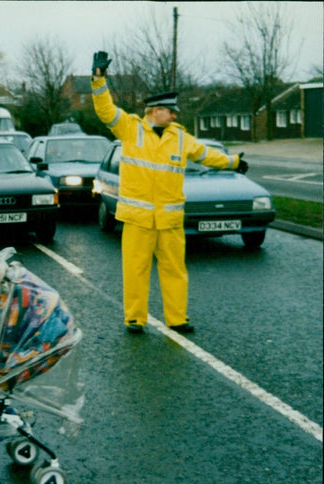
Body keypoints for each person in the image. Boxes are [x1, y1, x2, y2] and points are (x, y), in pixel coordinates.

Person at [91, 51, 248, 335]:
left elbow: (205, 155)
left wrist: (234, 162)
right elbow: (105, 110)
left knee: (175, 271)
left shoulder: (180, 137)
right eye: (170, 110)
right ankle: (135, 319)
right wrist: (99, 80)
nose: (175, 115)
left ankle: (177, 319)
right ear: (154, 110)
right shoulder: (130, 129)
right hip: (139, 218)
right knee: (135, 270)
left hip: (170, 219)